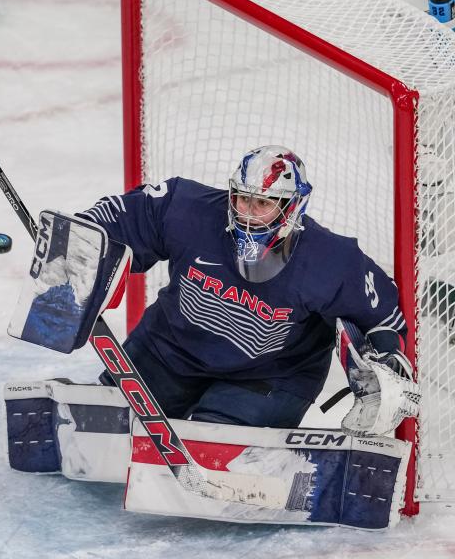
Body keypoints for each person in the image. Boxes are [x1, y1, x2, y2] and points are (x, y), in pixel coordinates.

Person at [77, 145, 409, 429]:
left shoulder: (331, 261)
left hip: (270, 378)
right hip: (170, 349)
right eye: (242, 199)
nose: (248, 214)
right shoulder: (187, 209)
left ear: (291, 207)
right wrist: (80, 239)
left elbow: (383, 318)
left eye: (263, 204)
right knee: (105, 426)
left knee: (213, 442)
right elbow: (124, 218)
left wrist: (384, 363)